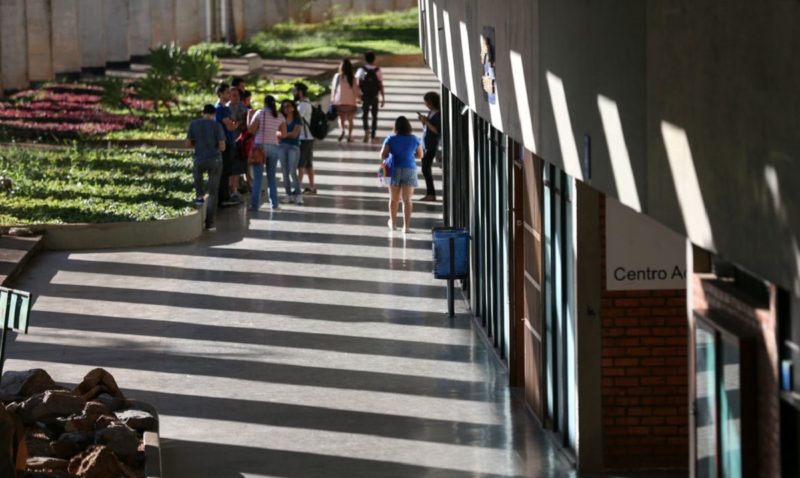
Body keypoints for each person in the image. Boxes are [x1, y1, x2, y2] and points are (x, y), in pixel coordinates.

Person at [187, 104, 226, 230]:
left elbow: (188, 143)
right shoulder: (216, 125)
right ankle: (210, 223)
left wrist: (198, 144)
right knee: (213, 192)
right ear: (213, 114)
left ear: (202, 112)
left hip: (199, 159)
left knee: (198, 177)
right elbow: (222, 147)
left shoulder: (193, 124)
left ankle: (199, 196)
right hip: (215, 160)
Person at [381, 116, 423, 233]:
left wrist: (391, 155)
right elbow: (420, 155)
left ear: (396, 127)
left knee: (394, 199)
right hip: (409, 169)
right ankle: (406, 227)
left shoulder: (390, 138)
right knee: (407, 200)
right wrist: (410, 156)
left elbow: (383, 155)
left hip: (394, 169)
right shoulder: (414, 139)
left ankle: (393, 223)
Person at [247, 95, 284, 211]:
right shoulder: (279, 116)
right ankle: (274, 204)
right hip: (274, 148)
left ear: (264, 103)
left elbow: (251, 130)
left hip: (260, 148)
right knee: (271, 177)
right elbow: (283, 133)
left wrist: (249, 117)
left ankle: (254, 205)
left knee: (258, 178)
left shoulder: (260, 113)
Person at [214, 83, 240, 206]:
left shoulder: (226, 108)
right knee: (224, 172)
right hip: (224, 144)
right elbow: (230, 126)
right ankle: (223, 199)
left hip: (229, 142)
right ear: (220, 94)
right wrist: (237, 124)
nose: (230, 95)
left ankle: (226, 196)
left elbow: (231, 123)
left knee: (227, 171)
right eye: (227, 93)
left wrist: (233, 123)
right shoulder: (220, 109)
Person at [278, 99, 303, 205]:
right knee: (284, 172)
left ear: (293, 107)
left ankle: (298, 195)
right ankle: (288, 194)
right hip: (282, 147)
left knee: (292, 171)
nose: (286, 109)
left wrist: (284, 134)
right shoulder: (280, 119)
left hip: (293, 147)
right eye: (284, 107)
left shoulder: (297, 119)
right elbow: (278, 133)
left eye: (288, 106)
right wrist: (285, 134)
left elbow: (295, 134)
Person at [356, 51, 385, 143]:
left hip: (365, 96)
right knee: (374, 116)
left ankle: (366, 131)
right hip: (374, 96)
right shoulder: (378, 70)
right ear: (374, 59)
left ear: (365, 59)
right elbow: (380, 84)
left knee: (364, 114)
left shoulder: (361, 70)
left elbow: (358, 84)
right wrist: (383, 97)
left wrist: (358, 96)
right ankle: (373, 135)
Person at [294, 82, 317, 195]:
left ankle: (298, 188)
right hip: (308, 137)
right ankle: (312, 187)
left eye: (295, 91)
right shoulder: (305, 103)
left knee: (301, 163)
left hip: (305, 138)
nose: (293, 93)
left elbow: (296, 118)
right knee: (308, 163)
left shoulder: (303, 105)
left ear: (300, 92)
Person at [418, 91, 441, 201]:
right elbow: (428, 128)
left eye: (427, 102)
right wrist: (424, 122)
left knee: (425, 168)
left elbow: (437, 130)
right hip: (426, 144)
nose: (426, 104)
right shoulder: (431, 112)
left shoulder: (438, 115)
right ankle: (430, 193)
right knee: (425, 168)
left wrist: (427, 122)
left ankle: (431, 194)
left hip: (432, 145)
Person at [331, 59, 360, 142]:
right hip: (351, 102)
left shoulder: (337, 76)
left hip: (339, 102)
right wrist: (358, 98)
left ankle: (342, 130)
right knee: (350, 120)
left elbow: (334, 89)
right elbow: (356, 90)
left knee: (341, 119)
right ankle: (350, 136)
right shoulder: (352, 78)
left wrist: (332, 99)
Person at [227, 87, 248, 199]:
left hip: (240, 142)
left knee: (238, 168)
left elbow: (246, 121)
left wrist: (240, 123)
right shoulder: (226, 108)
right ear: (229, 96)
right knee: (229, 168)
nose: (237, 97)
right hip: (229, 141)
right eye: (234, 95)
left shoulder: (243, 107)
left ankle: (234, 189)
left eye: (238, 95)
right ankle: (228, 189)